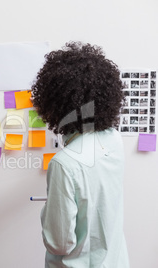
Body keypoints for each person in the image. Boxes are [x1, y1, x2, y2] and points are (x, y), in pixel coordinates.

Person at [31, 42, 130, 267]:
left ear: (53, 103)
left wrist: (50, 210)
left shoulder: (64, 164)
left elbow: (59, 243)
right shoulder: (113, 138)